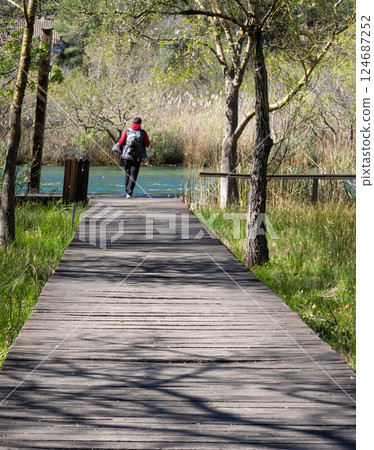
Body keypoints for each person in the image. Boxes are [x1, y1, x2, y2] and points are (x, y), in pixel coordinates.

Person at [117, 117, 150, 198]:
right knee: (133, 174)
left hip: (127, 156)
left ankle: (127, 191)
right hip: (137, 157)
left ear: (132, 123)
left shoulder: (127, 131)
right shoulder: (143, 132)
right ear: (140, 124)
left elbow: (120, 142)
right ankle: (130, 192)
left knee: (127, 173)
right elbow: (147, 144)